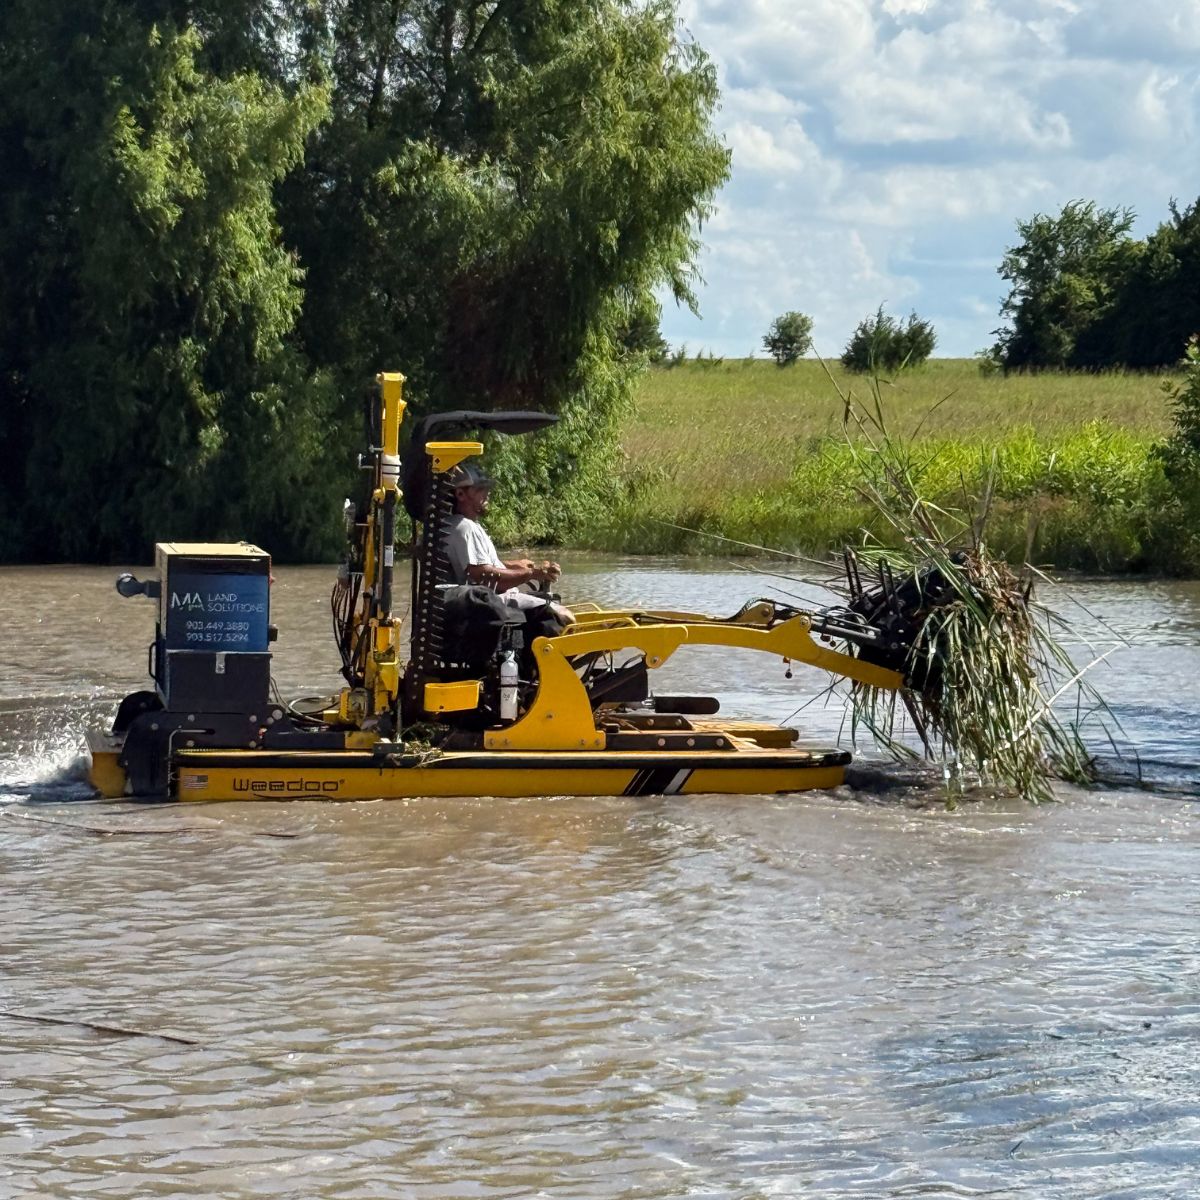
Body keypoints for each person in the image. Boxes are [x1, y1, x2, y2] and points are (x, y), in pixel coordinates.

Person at [443, 462, 573, 626]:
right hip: (491, 602)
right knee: (566, 618)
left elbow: (476, 566)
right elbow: (484, 576)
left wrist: (514, 566)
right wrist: (532, 574)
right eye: (480, 489)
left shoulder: (455, 525)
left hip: (485, 601)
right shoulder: (465, 528)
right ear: (460, 494)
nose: (487, 493)